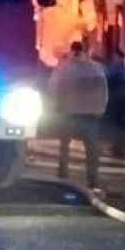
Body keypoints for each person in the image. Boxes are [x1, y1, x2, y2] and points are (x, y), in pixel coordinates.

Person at [47, 40, 109, 189]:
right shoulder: (95, 69)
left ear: (71, 50)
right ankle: (92, 179)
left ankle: (63, 175)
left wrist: (53, 108)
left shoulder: (63, 69)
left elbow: (52, 89)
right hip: (90, 114)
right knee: (91, 150)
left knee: (65, 147)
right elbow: (103, 91)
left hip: (68, 113)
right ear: (84, 51)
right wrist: (101, 109)